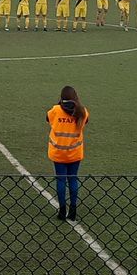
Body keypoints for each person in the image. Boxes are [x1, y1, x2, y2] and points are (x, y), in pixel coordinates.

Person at [47, 86, 89, 222]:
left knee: (60, 180)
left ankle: (62, 209)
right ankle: (73, 209)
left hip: (59, 152)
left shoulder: (56, 110)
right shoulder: (82, 112)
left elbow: (48, 119)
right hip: (74, 153)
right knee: (73, 179)